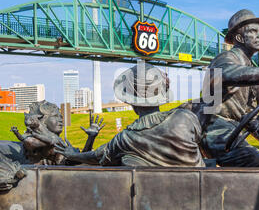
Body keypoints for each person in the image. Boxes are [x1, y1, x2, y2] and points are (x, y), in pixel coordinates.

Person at [183, 9, 259, 167]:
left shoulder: (250, 70)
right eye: (252, 31)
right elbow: (232, 74)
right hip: (215, 132)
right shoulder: (225, 59)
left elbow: (254, 123)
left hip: (231, 134)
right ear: (238, 37)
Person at [55, 62, 206, 168]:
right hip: (201, 195)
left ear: (132, 102)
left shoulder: (125, 139)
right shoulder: (186, 118)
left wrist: (72, 154)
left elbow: (96, 156)